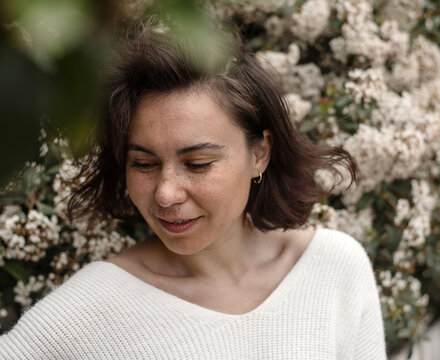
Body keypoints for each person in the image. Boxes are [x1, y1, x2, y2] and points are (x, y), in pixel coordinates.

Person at [0, 22, 386, 359]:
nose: (166, 194)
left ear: (260, 154)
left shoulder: (334, 268)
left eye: (198, 164)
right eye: (144, 164)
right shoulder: (90, 308)